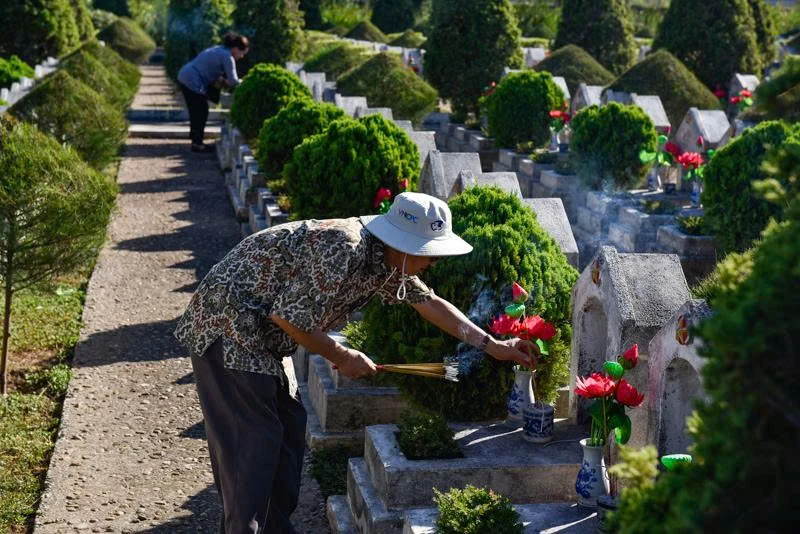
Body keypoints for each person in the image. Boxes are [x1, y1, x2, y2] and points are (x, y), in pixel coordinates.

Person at [174, 192, 538, 533]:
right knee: (253, 445)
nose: (432, 263)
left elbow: (430, 304)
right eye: (429, 254)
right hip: (229, 328)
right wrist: (341, 355)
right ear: (402, 243)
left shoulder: (388, 262)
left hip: (265, 340)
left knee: (287, 433)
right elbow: (288, 317)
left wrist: (493, 346)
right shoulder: (344, 246)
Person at [177, 32, 249, 153]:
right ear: (236, 49)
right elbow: (233, 81)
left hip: (185, 75)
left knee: (197, 110)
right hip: (193, 80)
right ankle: (197, 143)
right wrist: (247, 81)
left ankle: (196, 141)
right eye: (242, 53)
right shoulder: (228, 57)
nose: (241, 57)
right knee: (201, 110)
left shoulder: (218, 49)